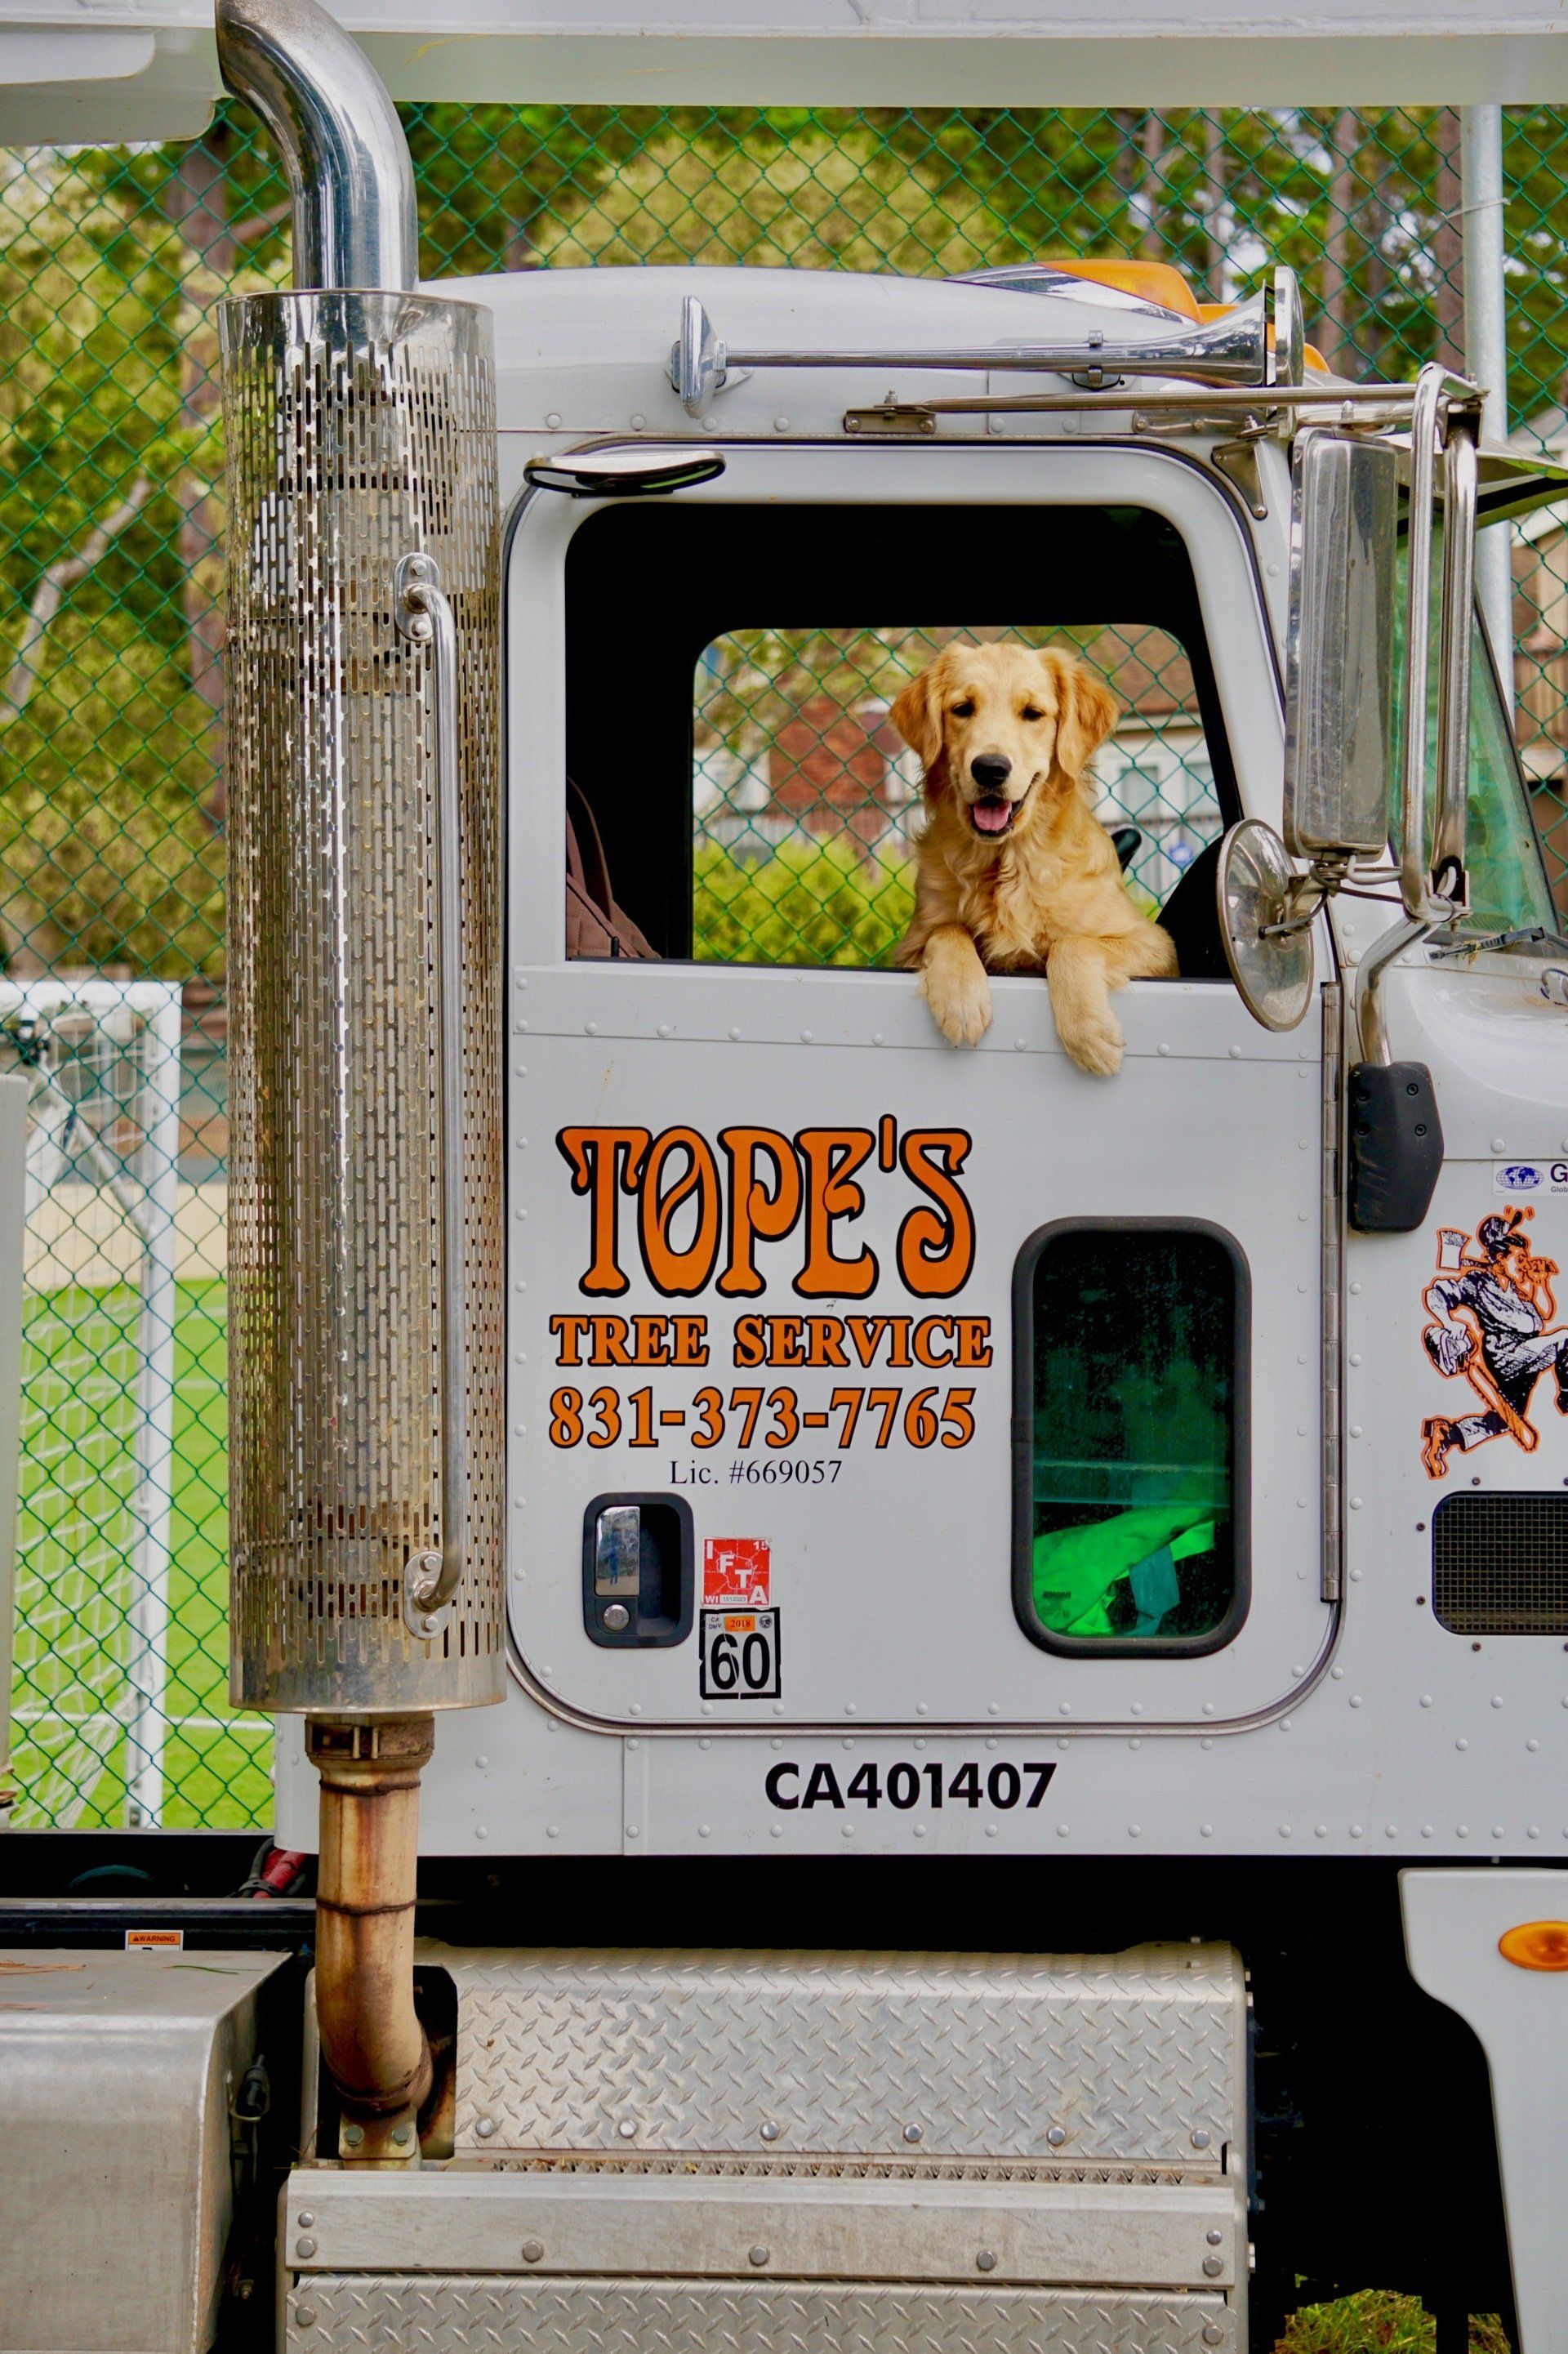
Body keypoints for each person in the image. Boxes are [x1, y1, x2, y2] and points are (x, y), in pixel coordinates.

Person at [1419, 1208, 1568, 1476]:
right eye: (1519, 1258)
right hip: (1506, 1356)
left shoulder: (1516, 1290)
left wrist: (1542, 1283)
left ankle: (1446, 1434)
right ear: (1500, 1259)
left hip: (1527, 1363)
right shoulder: (1478, 1283)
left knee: (1501, 1422)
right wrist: (1449, 1323)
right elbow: (1436, 1293)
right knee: (1566, 1339)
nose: (1525, 1264)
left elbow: (1542, 1318)